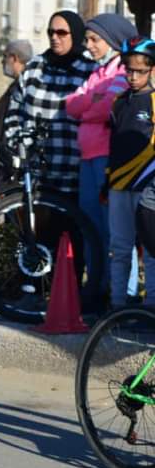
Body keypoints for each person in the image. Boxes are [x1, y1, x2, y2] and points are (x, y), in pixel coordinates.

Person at [66, 13, 138, 303]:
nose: (89, 45)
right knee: (91, 228)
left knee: (116, 230)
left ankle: (124, 294)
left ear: (112, 40)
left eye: (94, 39)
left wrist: (90, 104)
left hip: (108, 158)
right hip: (88, 158)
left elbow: (108, 106)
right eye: (87, 39)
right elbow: (71, 105)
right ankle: (97, 286)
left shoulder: (122, 71)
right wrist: (91, 103)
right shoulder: (98, 73)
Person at [2, 11, 97, 196]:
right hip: (34, 173)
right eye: (50, 32)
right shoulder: (34, 68)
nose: (54, 37)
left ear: (75, 34)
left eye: (61, 33)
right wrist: (19, 145)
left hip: (74, 173)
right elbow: (14, 111)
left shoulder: (91, 72)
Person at [106, 37, 155, 310]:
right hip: (118, 186)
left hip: (147, 188)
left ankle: (151, 308)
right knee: (120, 248)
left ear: (152, 70)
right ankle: (117, 306)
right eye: (129, 70)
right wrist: (107, 180)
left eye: (140, 71)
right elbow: (113, 141)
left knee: (151, 250)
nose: (133, 77)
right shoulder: (118, 101)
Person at [0, 40, 33, 191]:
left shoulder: (23, 90)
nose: (2, 61)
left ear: (14, 58)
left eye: (4, 56)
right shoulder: (15, 88)